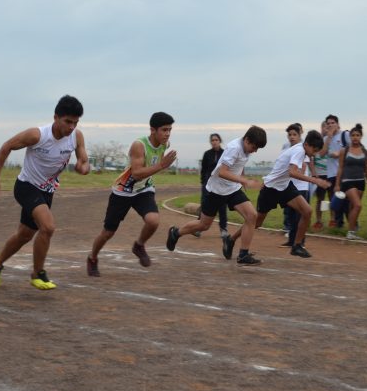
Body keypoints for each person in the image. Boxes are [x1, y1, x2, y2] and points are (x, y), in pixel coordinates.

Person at [0, 95, 90, 289]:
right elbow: (6, 146)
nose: (71, 127)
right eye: (67, 121)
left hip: (47, 191)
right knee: (48, 227)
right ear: (55, 117)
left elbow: (84, 161)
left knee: (24, 235)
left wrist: (83, 167)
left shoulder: (77, 136)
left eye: (75, 123)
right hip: (26, 186)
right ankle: (37, 274)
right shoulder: (38, 135)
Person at [86, 113, 176, 276]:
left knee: (153, 221)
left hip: (143, 190)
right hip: (123, 192)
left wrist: (161, 164)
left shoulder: (164, 144)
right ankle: (92, 258)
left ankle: (139, 245)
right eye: (164, 130)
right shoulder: (139, 145)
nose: (168, 133)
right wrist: (162, 165)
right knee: (108, 233)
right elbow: (136, 173)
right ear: (152, 130)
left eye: (170, 129)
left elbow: (154, 165)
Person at [166, 126, 267, 266]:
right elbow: (222, 172)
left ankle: (243, 254)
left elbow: (239, 165)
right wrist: (244, 180)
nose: (255, 151)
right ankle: (176, 233)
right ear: (247, 140)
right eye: (254, 147)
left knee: (252, 216)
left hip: (232, 189)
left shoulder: (246, 148)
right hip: (216, 190)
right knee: (203, 225)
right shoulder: (234, 148)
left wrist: (241, 178)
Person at [254, 130, 330, 258]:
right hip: (271, 188)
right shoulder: (299, 151)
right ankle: (232, 239)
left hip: (284, 186)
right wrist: (315, 180)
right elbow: (292, 172)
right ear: (307, 144)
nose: (314, 154)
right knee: (256, 222)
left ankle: (297, 246)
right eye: (314, 150)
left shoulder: (304, 151)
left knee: (307, 211)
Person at [335, 124, 367, 240]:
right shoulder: (344, 150)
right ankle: (351, 231)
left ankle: (352, 231)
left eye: (357, 135)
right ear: (350, 137)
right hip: (348, 182)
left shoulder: (364, 151)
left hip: (360, 182)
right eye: (353, 135)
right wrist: (337, 184)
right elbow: (340, 167)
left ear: (361, 136)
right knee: (358, 205)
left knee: (353, 207)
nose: (355, 137)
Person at [281, 124, 316, 248]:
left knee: (300, 215)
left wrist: (311, 176)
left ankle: (301, 241)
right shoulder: (286, 147)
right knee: (290, 215)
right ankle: (291, 240)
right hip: (289, 186)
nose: (292, 137)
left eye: (294, 134)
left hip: (301, 187)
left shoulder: (303, 148)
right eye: (289, 135)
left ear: (300, 135)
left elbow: (304, 165)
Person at [196, 133, 228, 238]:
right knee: (204, 205)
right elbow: (204, 170)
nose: (214, 142)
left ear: (220, 141)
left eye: (216, 140)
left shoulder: (225, 153)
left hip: (221, 185)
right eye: (212, 140)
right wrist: (203, 182)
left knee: (222, 207)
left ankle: (223, 229)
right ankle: (198, 228)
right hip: (208, 185)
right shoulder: (207, 154)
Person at [322, 115, 350, 227]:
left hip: (345, 172)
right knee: (336, 199)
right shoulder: (325, 139)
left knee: (347, 199)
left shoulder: (345, 135)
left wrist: (340, 153)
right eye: (328, 123)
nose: (330, 125)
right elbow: (322, 153)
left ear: (338, 124)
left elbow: (352, 148)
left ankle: (352, 224)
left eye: (332, 123)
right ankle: (339, 223)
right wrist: (328, 137)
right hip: (331, 173)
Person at [311, 121, 330, 230]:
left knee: (329, 198)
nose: (326, 129)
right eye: (325, 127)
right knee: (320, 199)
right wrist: (314, 174)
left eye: (328, 128)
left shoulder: (331, 141)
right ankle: (318, 220)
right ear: (321, 128)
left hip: (330, 173)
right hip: (319, 174)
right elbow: (312, 158)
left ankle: (332, 220)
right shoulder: (317, 142)